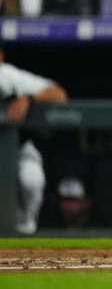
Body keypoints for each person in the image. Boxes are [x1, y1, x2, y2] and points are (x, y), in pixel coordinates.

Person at [0, 48, 68, 234]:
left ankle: (25, 231)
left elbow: (59, 95)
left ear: (2, 57)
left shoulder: (10, 77)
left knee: (32, 179)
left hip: (18, 149)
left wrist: (29, 99)